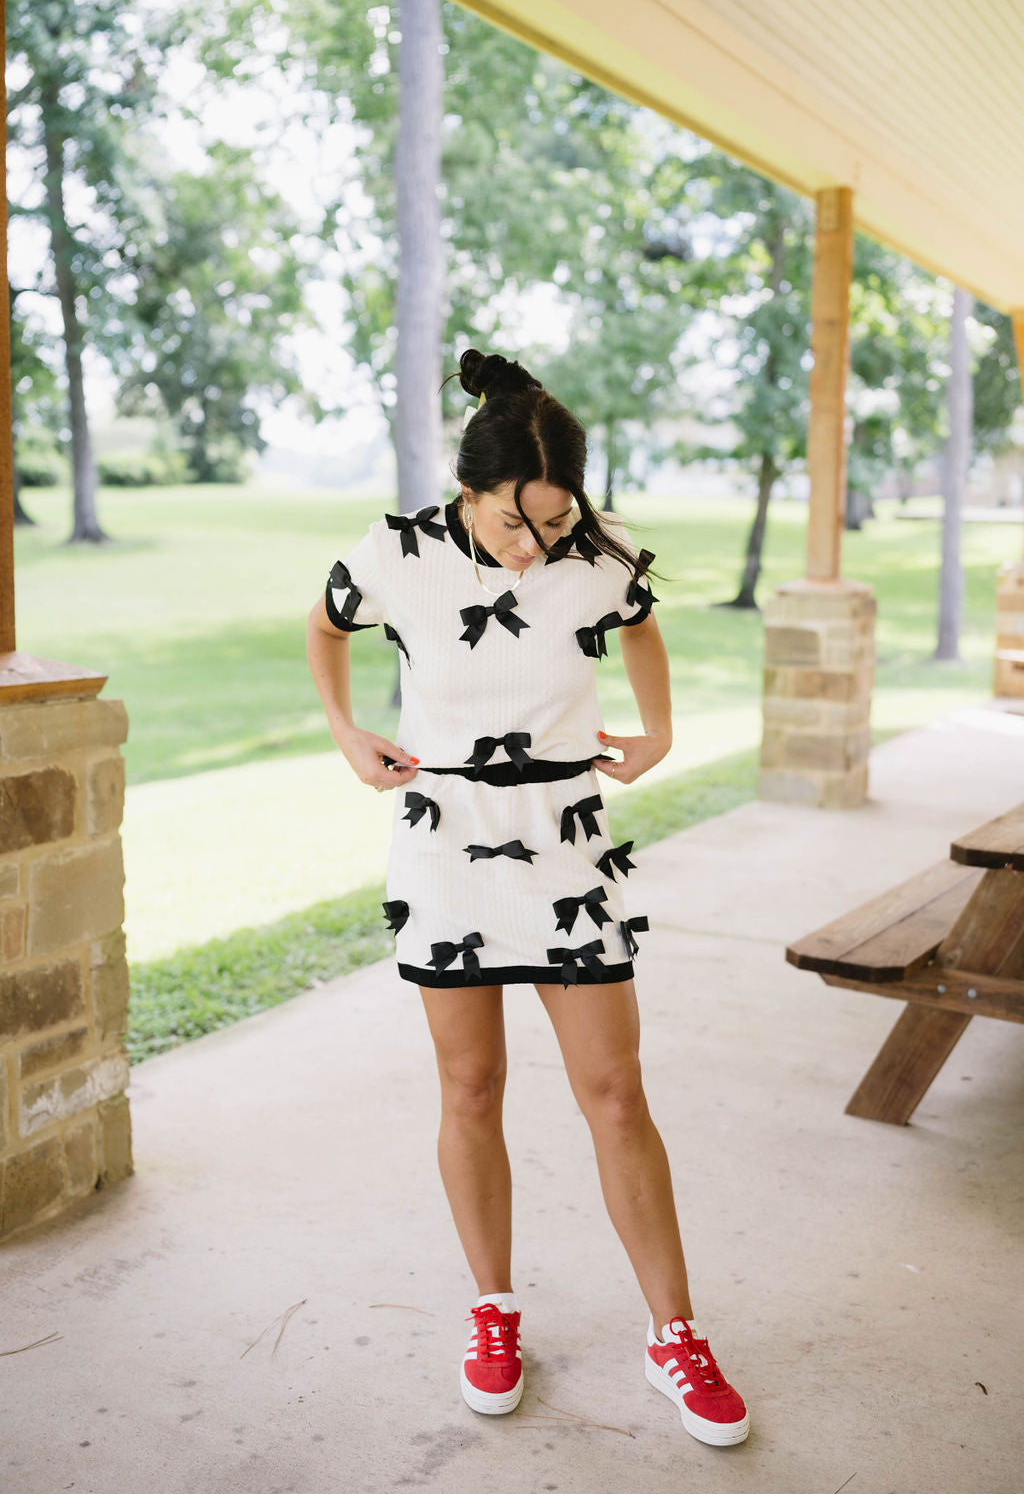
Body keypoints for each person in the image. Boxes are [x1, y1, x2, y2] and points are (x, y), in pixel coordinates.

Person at [305, 349, 749, 1448]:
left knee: (613, 1091)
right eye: (516, 524)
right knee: (470, 1085)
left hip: (565, 845)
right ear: (470, 489)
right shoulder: (394, 554)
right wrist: (347, 732)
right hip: (445, 842)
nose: (535, 546)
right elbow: (324, 627)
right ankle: (493, 1313)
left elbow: (640, 618)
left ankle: (674, 1335)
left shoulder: (596, 555)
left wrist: (660, 731)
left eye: (554, 524)